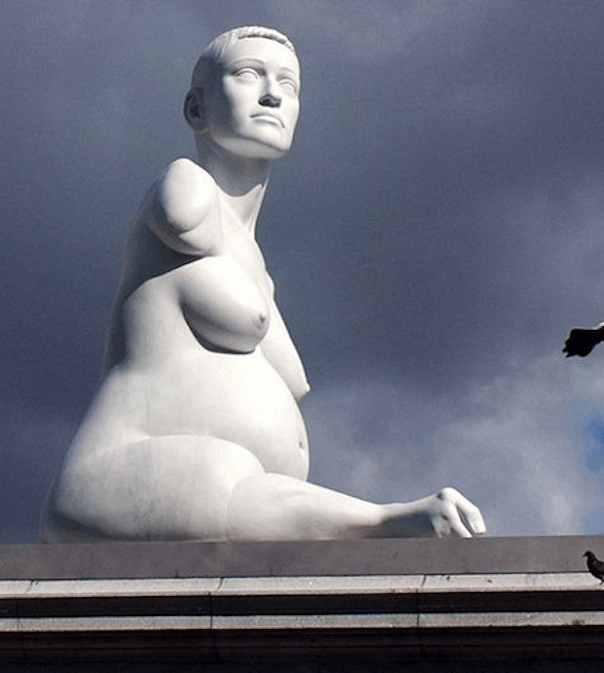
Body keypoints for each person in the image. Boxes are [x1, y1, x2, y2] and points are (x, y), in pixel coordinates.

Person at [41, 26, 486, 542]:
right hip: (125, 479)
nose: (272, 94)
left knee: (231, 478)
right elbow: (179, 214)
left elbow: (293, 380)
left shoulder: (256, 270)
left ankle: (383, 521)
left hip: (227, 502)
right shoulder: (186, 185)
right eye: (249, 75)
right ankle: (383, 520)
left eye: (288, 85)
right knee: (222, 474)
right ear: (196, 110)